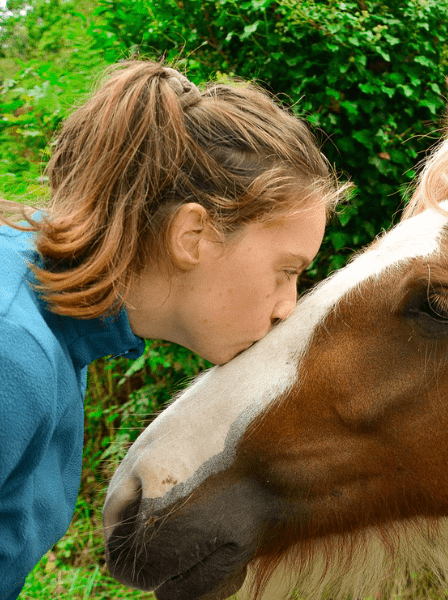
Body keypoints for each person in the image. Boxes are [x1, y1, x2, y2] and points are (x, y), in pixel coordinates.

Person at [0, 61, 345, 598]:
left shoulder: (49, 317)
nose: (287, 308)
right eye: (288, 271)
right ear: (193, 235)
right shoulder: (12, 351)